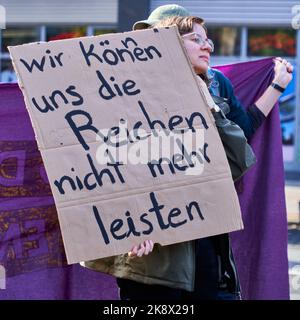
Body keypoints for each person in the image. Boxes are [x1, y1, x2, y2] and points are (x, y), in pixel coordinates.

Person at [82, 5, 293, 301]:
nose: (207, 45)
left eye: (208, 40)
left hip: (206, 246)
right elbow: (110, 164)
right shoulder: (125, 92)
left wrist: (213, 103)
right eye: (196, 39)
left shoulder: (214, 85)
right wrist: (132, 221)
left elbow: (236, 158)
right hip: (155, 260)